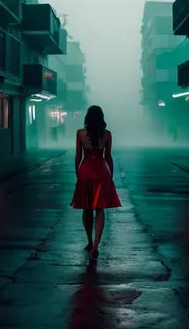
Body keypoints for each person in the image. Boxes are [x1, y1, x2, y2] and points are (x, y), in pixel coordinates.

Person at [70, 105, 121, 261]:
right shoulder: (107, 134)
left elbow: (78, 156)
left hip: (86, 169)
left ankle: (90, 241)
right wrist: (110, 175)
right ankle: (96, 246)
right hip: (102, 169)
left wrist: (77, 172)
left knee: (86, 208)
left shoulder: (80, 133)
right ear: (102, 117)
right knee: (100, 209)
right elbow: (109, 157)